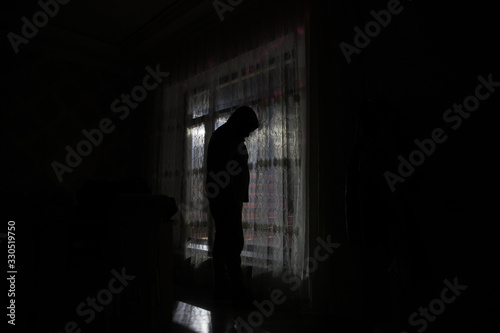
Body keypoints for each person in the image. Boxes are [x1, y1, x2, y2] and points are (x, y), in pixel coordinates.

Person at [205, 106, 259, 304]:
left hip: (226, 198)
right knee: (233, 242)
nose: (248, 135)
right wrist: (231, 199)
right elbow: (226, 173)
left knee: (224, 242)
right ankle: (235, 290)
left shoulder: (227, 136)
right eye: (247, 129)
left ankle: (223, 289)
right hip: (226, 199)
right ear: (241, 123)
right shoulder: (227, 138)